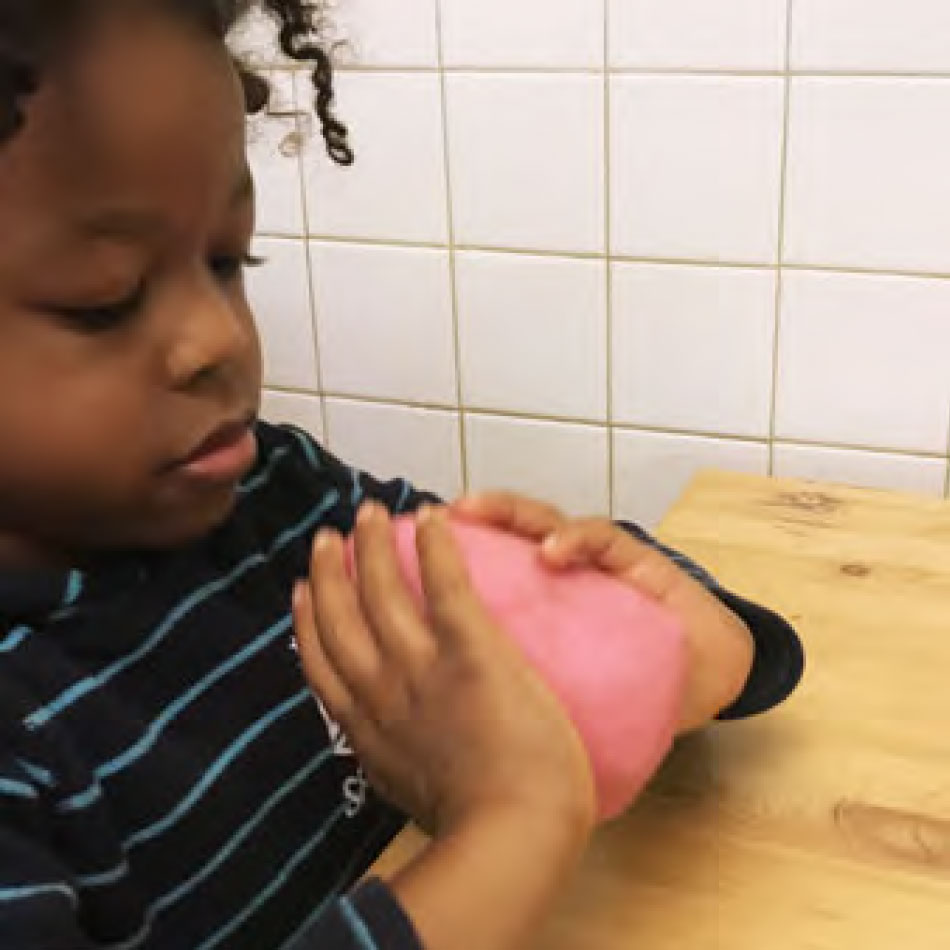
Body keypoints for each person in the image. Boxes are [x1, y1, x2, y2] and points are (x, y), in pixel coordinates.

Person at [0, 2, 804, 947]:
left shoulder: (280, 502)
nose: (220, 336)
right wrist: (515, 826)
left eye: (228, 260)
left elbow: (573, 641)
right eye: (106, 301)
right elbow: (518, 807)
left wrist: (696, 649)